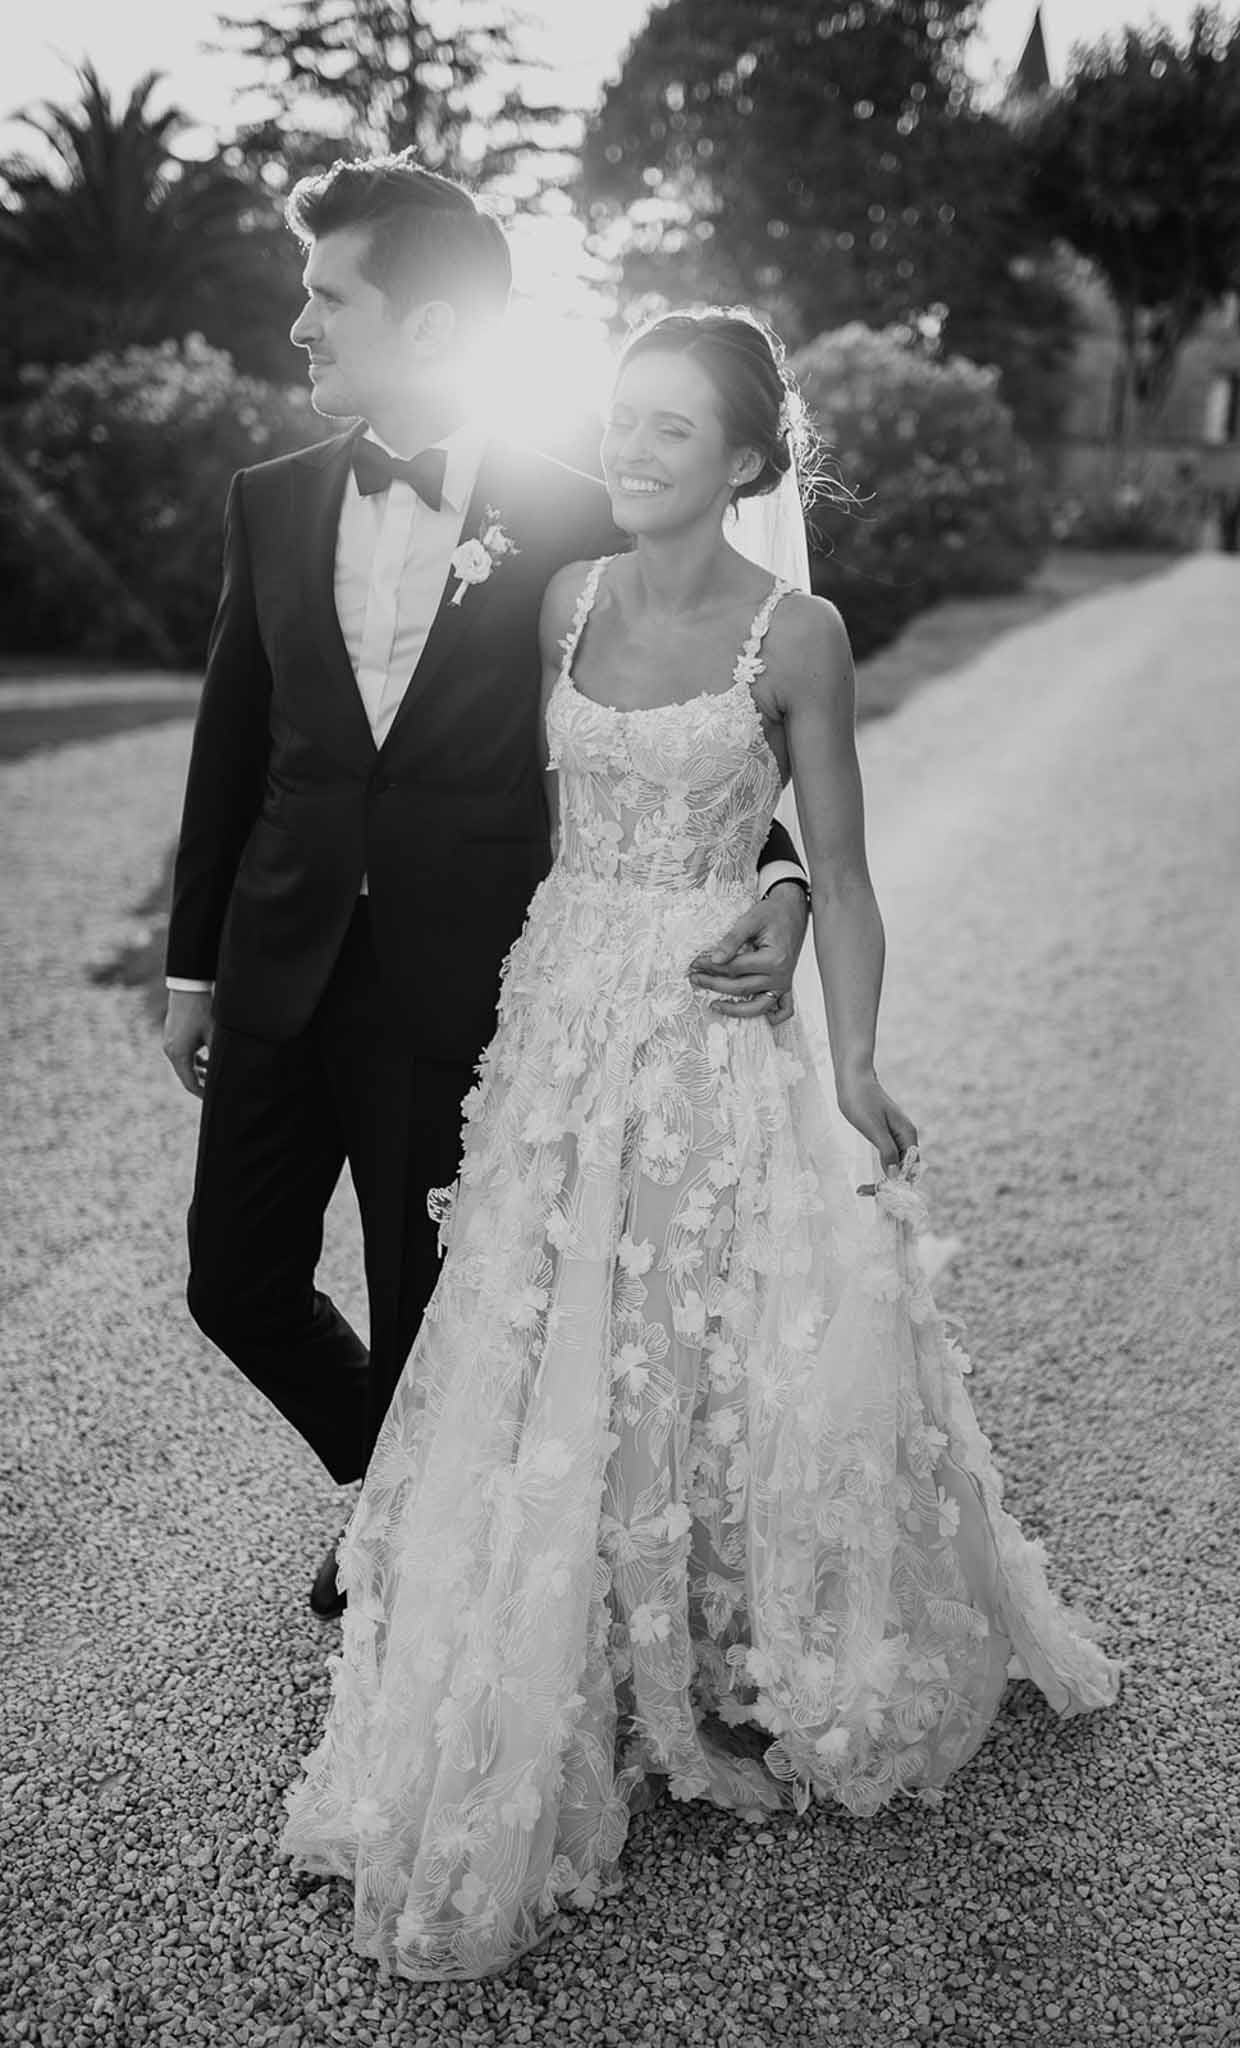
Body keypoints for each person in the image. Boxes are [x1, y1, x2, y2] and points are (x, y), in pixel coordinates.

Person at [280, 308, 1121, 1981]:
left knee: (693, 1323)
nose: (634, 444)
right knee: (542, 1315)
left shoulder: (798, 633)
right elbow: (494, 812)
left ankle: (708, 1615)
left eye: (675, 425)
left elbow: (844, 864)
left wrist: (848, 1034)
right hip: (556, 1011)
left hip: (707, 1025)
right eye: (623, 414)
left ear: (747, 458)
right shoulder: (559, 599)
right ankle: (568, 1610)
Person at [162, 159, 810, 1617]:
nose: (301, 326)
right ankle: (408, 1482)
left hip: (466, 975)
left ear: (433, 325)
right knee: (234, 1283)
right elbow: (230, 745)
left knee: (428, 1290)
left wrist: (787, 879)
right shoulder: (270, 502)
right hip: (279, 958)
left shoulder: (581, 515)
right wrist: (193, 969)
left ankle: (412, 1546)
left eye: (328, 297)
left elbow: (702, 728)